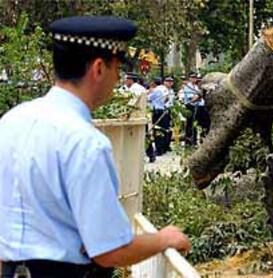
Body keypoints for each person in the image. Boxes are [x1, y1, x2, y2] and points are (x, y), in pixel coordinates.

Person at [0, 16, 190, 278]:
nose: (117, 79)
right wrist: (164, 239)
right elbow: (109, 250)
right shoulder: (85, 143)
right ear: (99, 68)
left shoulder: (11, 122)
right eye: (116, 69)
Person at [183, 72, 201, 145]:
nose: (194, 79)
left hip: (196, 106)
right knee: (190, 124)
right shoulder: (188, 87)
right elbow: (191, 98)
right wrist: (199, 96)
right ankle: (188, 141)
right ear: (190, 78)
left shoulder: (196, 87)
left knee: (195, 124)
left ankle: (194, 140)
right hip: (190, 106)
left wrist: (199, 97)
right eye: (192, 78)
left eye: (195, 78)